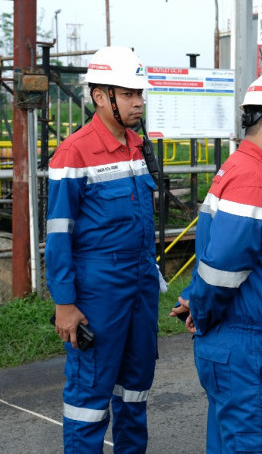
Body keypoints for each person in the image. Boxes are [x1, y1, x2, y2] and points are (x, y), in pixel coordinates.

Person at [171, 71, 262, 453]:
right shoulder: (253, 180)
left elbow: (222, 257)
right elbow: (221, 271)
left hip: (252, 352)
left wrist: (195, 299)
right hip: (252, 359)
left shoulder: (255, 174)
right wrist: (202, 309)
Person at [45, 45, 160, 452]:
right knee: (89, 397)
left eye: (139, 94)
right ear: (100, 96)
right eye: (129, 94)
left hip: (141, 286)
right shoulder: (74, 151)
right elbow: (58, 234)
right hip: (98, 291)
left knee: (136, 388)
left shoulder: (136, 144)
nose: (138, 102)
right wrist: (64, 302)